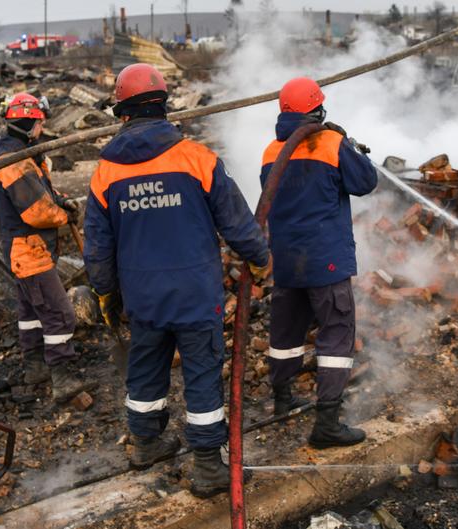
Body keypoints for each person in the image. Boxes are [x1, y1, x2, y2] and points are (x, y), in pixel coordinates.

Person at [84, 63, 269, 498]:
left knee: (145, 370)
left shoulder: (105, 171)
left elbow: (97, 246)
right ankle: (207, 467)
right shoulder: (197, 157)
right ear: (164, 107)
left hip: (143, 296)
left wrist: (106, 293)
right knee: (203, 374)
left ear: (122, 113)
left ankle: (146, 445)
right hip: (195, 292)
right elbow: (236, 222)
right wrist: (259, 260)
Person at [260, 77, 378, 448]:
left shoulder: (270, 151)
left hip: (287, 261)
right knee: (336, 334)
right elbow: (366, 182)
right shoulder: (331, 144)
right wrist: (351, 146)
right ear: (318, 108)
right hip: (326, 260)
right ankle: (327, 423)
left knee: (285, 335)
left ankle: (282, 401)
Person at [0, 93, 93, 403]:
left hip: (25, 249)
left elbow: (44, 193)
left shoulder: (22, 155)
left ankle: (35, 367)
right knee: (60, 314)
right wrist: (66, 214)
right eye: (40, 122)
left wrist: (61, 201)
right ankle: (62, 377)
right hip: (29, 250)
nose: (43, 127)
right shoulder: (13, 162)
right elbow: (38, 212)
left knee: (31, 311)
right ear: (30, 123)